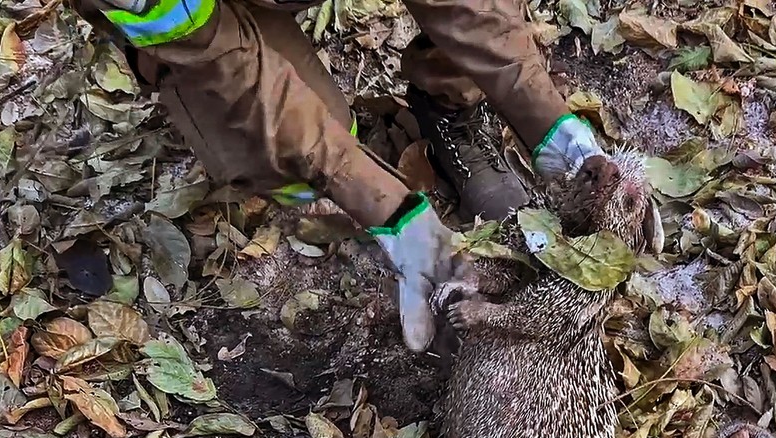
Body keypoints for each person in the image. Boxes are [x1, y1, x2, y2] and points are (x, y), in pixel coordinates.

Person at [73, 0, 613, 352]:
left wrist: (549, 122)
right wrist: (384, 206)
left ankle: (447, 106)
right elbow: (226, 70)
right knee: (295, 146)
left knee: (473, 30)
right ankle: (331, 193)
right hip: (204, 28)